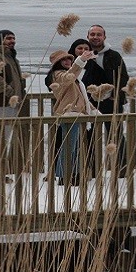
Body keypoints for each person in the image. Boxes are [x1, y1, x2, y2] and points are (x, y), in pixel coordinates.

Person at [46, 41, 98, 185]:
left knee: (75, 147)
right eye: (64, 60)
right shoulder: (58, 75)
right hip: (69, 113)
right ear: (58, 63)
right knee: (68, 146)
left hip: (77, 114)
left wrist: (93, 110)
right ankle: (64, 175)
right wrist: (80, 61)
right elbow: (68, 78)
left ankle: (74, 173)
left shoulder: (73, 78)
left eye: (69, 59)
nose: (68, 61)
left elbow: (81, 97)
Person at [83, 24, 129, 170]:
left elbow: (123, 77)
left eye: (99, 34)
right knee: (89, 135)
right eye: (93, 34)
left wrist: (116, 97)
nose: (95, 37)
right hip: (89, 102)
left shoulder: (113, 56)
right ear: (88, 36)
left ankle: (121, 167)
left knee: (115, 134)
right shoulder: (82, 55)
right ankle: (92, 167)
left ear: (104, 37)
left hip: (111, 102)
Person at [0, 29, 26, 182]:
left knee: (3, 138)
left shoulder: (10, 57)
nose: (12, 41)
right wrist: (10, 93)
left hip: (10, 104)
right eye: (8, 38)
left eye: (13, 38)